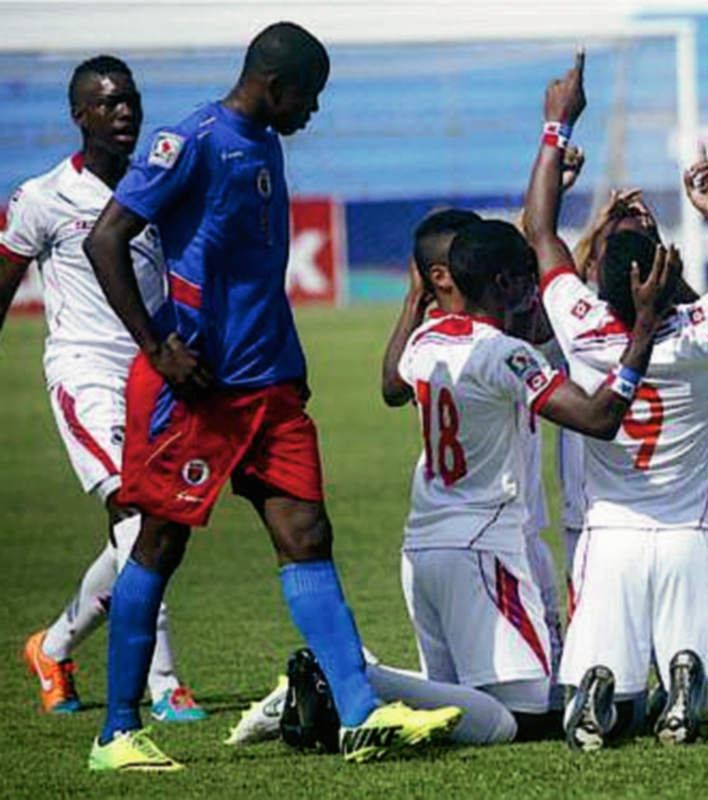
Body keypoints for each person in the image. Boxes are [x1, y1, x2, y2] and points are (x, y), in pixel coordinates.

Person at [82, 22, 461, 771]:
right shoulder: (189, 142)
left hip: (270, 387)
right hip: (201, 391)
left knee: (307, 534)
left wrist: (285, 358)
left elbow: (255, 271)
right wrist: (159, 346)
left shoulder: (268, 142)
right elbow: (106, 239)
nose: (312, 114)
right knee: (161, 543)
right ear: (274, 85)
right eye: (308, 99)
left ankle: (359, 714)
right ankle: (116, 732)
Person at [525, 52, 708, 751]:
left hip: (609, 538)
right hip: (689, 537)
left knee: (605, 705)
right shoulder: (705, 334)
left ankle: (597, 691)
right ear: (668, 269)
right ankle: (693, 684)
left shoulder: (582, 328)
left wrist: (557, 124)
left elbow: (541, 233)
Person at [388, 217, 673, 738]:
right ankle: (357, 677)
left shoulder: (427, 337)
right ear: (504, 284)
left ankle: (352, 687)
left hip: (424, 547)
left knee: (458, 704)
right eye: (527, 278)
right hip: (479, 548)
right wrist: (645, 332)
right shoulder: (505, 355)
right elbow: (598, 418)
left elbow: (391, 383)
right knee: (524, 719)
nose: (535, 290)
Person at [0, 55, 205, 723]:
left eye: (130, 101)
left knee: (156, 527)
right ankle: (164, 683)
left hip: (155, 377)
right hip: (85, 375)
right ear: (79, 114)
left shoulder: (159, 187)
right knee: (139, 519)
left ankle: (53, 647)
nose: (123, 112)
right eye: (107, 102)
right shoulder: (42, 197)